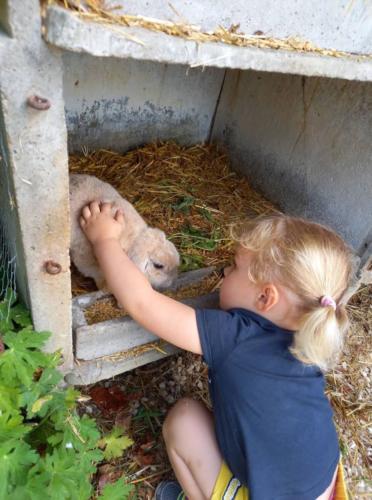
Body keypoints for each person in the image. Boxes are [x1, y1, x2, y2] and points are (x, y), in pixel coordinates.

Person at [80, 203, 352, 500]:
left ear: (265, 297)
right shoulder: (310, 340)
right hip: (324, 486)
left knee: (182, 421)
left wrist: (104, 240)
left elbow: (143, 304)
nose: (224, 271)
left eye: (234, 266)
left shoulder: (237, 337)